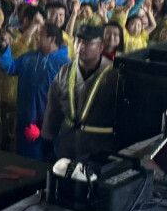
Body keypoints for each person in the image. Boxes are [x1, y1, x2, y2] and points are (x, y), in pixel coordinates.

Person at [41, 23, 120, 162]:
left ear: (101, 47)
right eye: (78, 41)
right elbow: (53, 108)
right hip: (67, 144)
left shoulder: (115, 75)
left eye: (88, 43)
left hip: (98, 147)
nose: (81, 46)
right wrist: (48, 136)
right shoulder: (65, 71)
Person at [0, 23, 71, 159]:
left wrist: (44, 129)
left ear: (52, 39)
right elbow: (10, 67)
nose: (36, 37)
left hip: (46, 127)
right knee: (23, 164)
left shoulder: (64, 64)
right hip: (25, 121)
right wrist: (4, 48)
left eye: (40, 34)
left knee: (43, 166)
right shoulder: (29, 56)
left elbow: (65, 102)